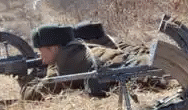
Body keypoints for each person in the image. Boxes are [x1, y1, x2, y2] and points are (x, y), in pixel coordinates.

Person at [19, 24, 165, 101]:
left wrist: (23, 78)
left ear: (53, 48)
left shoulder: (65, 63)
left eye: (40, 50)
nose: (39, 54)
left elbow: (33, 95)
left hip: (141, 71)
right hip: (137, 62)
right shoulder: (75, 49)